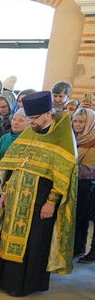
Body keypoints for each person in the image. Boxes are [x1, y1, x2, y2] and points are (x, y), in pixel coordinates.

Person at [0, 92, 77, 296]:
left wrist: (51, 202)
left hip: (41, 199)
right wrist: (6, 191)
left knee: (34, 242)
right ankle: (1, 279)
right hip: (16, 195)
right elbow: (14, 165)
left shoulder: (62, 137)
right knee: (9, 237)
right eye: (29, 118)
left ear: (48, 113)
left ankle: (23, 285)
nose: (31, 122)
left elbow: (63, 176)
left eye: (35, 118)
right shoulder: (31, 131)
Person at [71, 108, 95, 260]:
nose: (77, 124)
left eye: (81, 122)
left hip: (88, 184)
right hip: (75, 182)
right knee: (75, 218)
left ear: (90, 123)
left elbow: (89, 168)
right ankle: (76, 247)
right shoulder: (74, 138)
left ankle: (79, 247)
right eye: (75, 121)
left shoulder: (93, 140)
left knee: (82, 217)